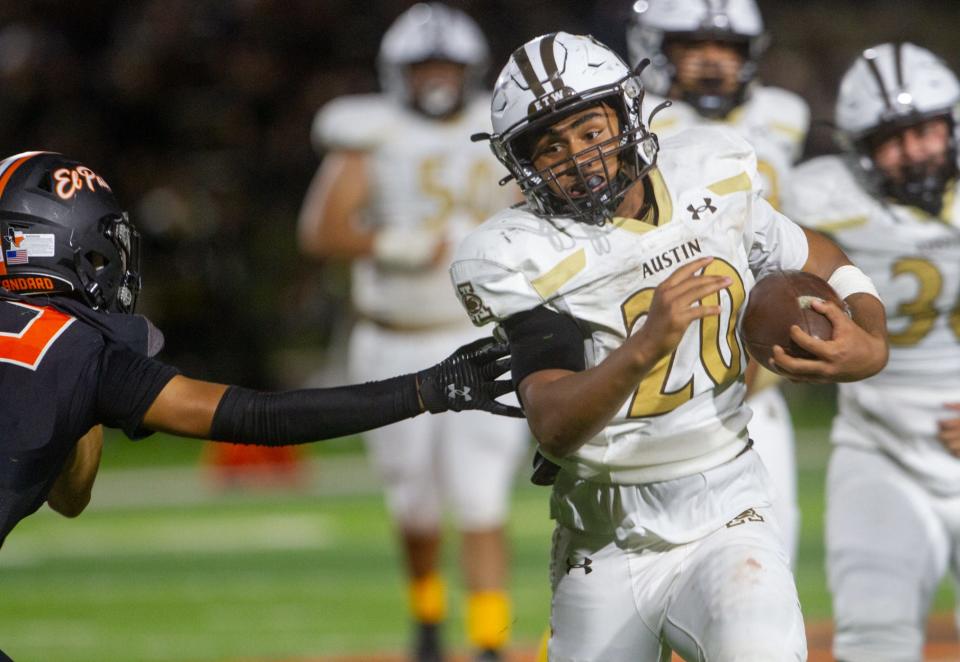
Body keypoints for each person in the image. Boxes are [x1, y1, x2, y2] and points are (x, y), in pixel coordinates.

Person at [452, 32, 888, 661]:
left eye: (589, 130)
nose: (578, 157)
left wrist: (871, 337)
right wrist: (645, 344)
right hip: (603, 535)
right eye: (551, 146)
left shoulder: (711, 171)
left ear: (626, 116)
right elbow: (552, 422)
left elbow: (812, 252)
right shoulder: (519, 251)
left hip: (727, 510)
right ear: (522, 164)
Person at [0, 149, 520, 554]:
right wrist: (425, 389)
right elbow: (257, 417)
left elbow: (69, 492)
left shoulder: (76, 351)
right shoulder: (80, 349)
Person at [296, 5, 528, 661]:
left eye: (446, 66)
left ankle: (487, 640)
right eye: (423, 66)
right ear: (396, 73)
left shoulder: (503, 126)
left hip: (478, 333)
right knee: (415, 502)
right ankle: (427, 621)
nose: (435, 79)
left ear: (471, 71)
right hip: (394, 334)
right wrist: (397, 245)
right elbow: (320, 231)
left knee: (482, 497)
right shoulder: (370, 132)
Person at [783, 42, 960, 662]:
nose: (914, 151)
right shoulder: (818, 195)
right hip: (879, 447)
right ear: (856, 149)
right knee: (873, 641)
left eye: (926, 130)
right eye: (892, 138)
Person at [627, 0, 810, 562]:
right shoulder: (632, 125)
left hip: (760, 368)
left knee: (769, 551)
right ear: (657, 49)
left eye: (727, 48)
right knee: (633, 562)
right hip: (667, 371)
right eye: (693, 46)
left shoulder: (782, 115)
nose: (713, 62)